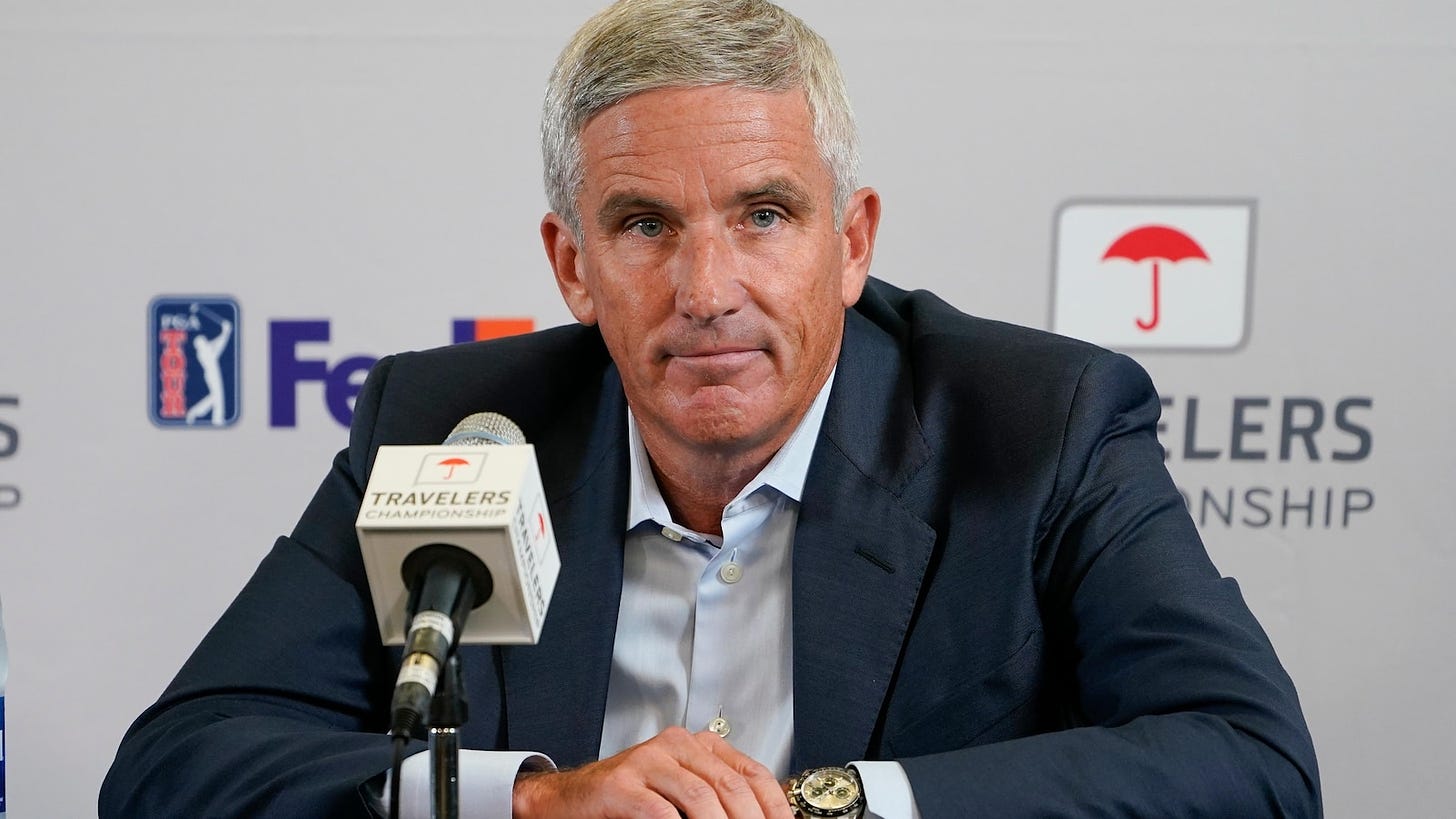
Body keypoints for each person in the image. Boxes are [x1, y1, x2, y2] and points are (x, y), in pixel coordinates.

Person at [100, 1, 1321, 816]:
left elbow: (1249, 761)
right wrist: (530, 800)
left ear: (850, 243)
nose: (707, 291)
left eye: (764, 216)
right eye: (642, 226)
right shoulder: (458, 427)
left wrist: (838, 805)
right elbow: (176, 765)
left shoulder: (1040, 424)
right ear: (571, 266)